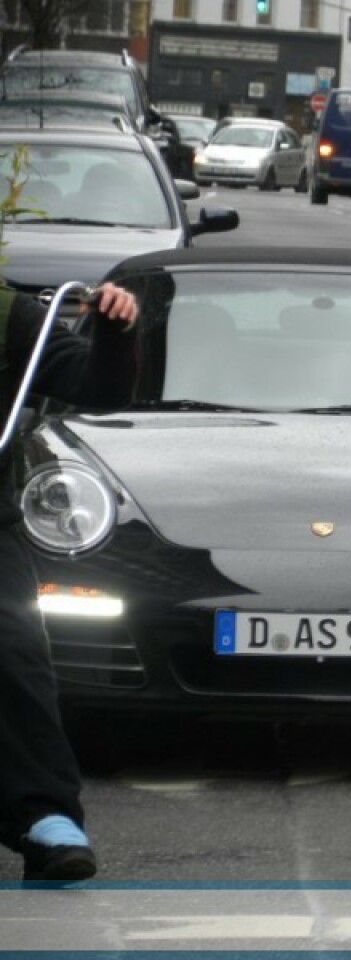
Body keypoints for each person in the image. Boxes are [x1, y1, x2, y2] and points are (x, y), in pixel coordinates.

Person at [0, 281, 139, 883]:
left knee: (14, 646)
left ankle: (45, 816)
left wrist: (115, 328)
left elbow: (98, 388)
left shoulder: (11, 314)